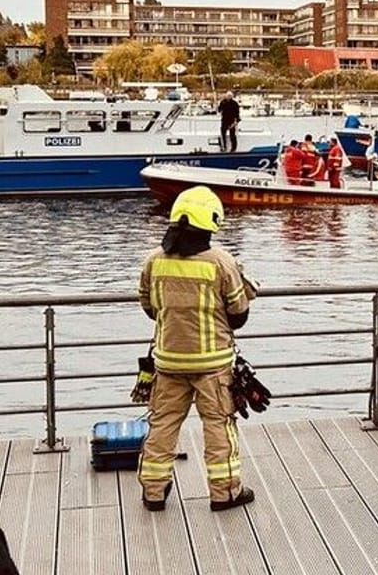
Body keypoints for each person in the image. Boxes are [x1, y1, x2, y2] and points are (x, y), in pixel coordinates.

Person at [137, 186, 255, 511]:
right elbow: (238, 314)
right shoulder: (221, 262)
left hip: (167, 362)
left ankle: (153, 492)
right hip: (213, 364)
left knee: (162, 424)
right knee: (218, 425)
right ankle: (225, 493)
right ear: (212, 221)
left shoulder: (154, 261)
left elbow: (149, 307)